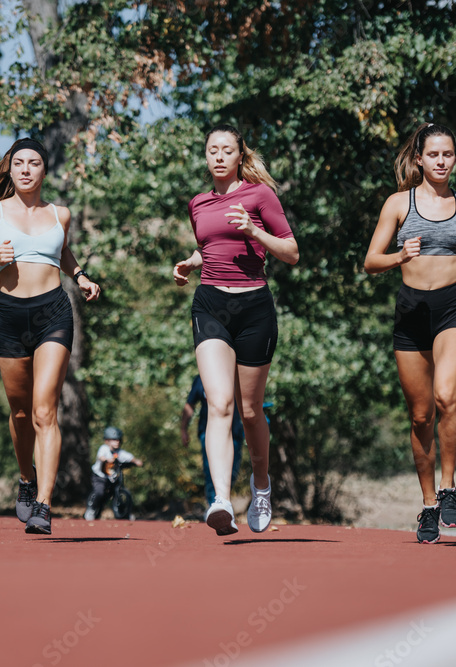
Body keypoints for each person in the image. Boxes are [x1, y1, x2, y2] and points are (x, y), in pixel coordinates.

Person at [363, 122, 456, 544]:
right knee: (420, 415)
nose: (442, 161)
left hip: (454, 308)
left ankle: (449, 487)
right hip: (411, 312)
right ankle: (427, 506)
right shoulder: (398, 204)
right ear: (419, 159)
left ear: (455, 158)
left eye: (448, 154)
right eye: (434, 155)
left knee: (446, 395)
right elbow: (370, 261)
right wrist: (399, 255)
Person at [0, 138, 101, 535]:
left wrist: (80, 276)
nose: (26, 169)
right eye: (19, 163)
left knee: (45, 411)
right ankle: (26, 478)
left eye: (34, 163)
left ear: (44, 170)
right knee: (21, 413)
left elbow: (62, 252)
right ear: (10, 169)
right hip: (9, 315)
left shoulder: (61, 213)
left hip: (53, 313)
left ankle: (44, 503)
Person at [173, 125, 299, 536]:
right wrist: (191, 263)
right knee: (218, 403)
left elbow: (291, 252)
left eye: (227, 150)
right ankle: (221, 501)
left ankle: (260, 485)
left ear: (238, 155)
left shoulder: (260, 196)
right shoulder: (198, 203)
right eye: (213, 150)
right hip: (211, 304)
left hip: (254, 306)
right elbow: (211, 244)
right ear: (206, 156)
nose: (219, 156)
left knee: (249, 410)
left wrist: (254, 230)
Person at [180, 374, 244, 505]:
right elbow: (190, 405)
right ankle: (214, 505)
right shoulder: (201, 378)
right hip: (208, 433)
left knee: (231, 472)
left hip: (234, 433)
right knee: (211, 471)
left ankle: (223, 502)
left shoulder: (239, 377)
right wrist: (183, 429)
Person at [84, 426, 143, 520]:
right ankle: (91, 509)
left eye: (119, 440)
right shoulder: (104, 449)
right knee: (99, 492)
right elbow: (100, 456)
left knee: (119, 491)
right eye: (114, 440)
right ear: (107, 441)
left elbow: (129, 457)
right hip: (100, 476)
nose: (117, 442)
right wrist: (107, 459)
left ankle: (125, 513)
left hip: (112, 478)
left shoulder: (120, 452)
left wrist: (136, 461)